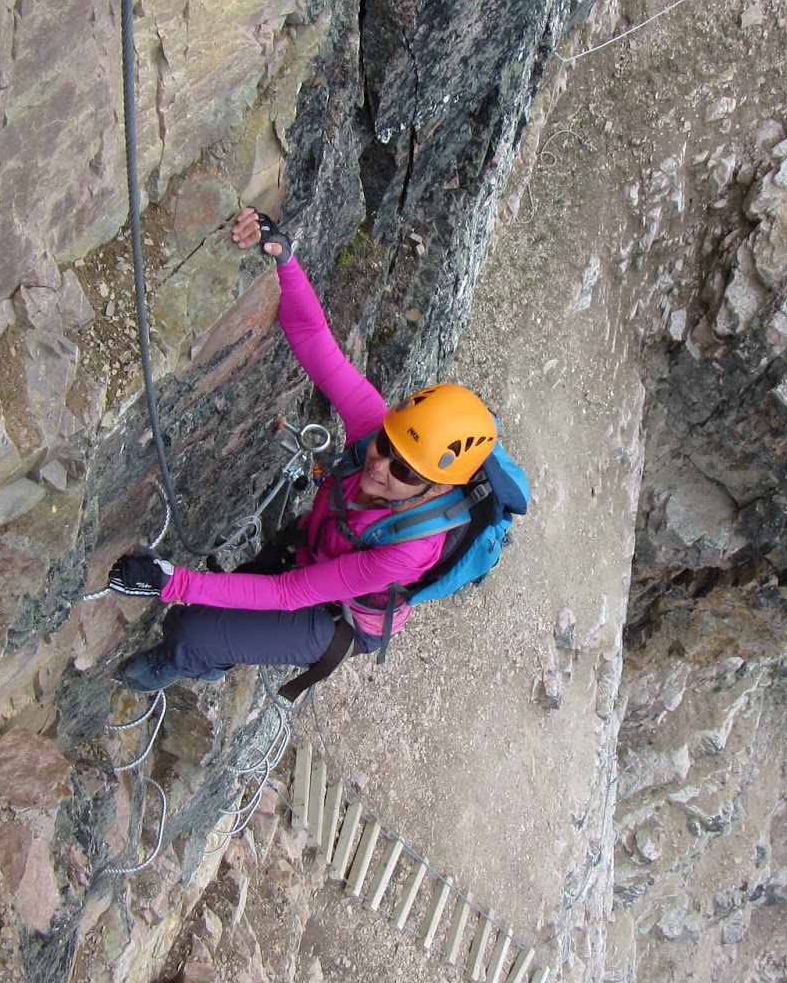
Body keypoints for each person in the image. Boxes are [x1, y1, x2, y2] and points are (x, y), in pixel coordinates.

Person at [107, 207, 498, 700]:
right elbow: (316, 342)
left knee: (194, 632)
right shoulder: (375, 430)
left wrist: (171, 581)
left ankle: (178, 663)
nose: (378, 464)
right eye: (385, 444)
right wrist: (286, 260)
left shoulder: (408, 550)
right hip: (316, 546)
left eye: (402, 469)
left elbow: (290, 594)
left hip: (335, 615)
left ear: (438, 486)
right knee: (218, 604)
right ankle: (206, 646)